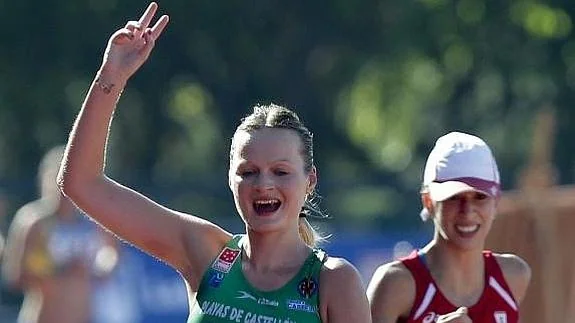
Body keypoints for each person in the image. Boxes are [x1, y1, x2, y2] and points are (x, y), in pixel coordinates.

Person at [56, 2, 370, 323]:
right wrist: (112, 75)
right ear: (230, 179)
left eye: (281, 171)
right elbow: (80, 183)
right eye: (248, 172)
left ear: (310, 181)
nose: (263, 184)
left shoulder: (333, 281)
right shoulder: (209, 254)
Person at [367, 132, 532, 323]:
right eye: (453, 197)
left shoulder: (514, 276)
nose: (468, 211)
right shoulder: (396, 284)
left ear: (496, 202)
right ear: (428, 201)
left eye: (480, 197)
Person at [2, 146, 119, 323]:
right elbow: (15, 276)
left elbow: (112, 255)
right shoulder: (34, 221)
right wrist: (60, 272)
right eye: (57, 180)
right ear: (45, 181)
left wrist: (98, 270)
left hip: (85, 317)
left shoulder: (95, 221)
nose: (64, 190)